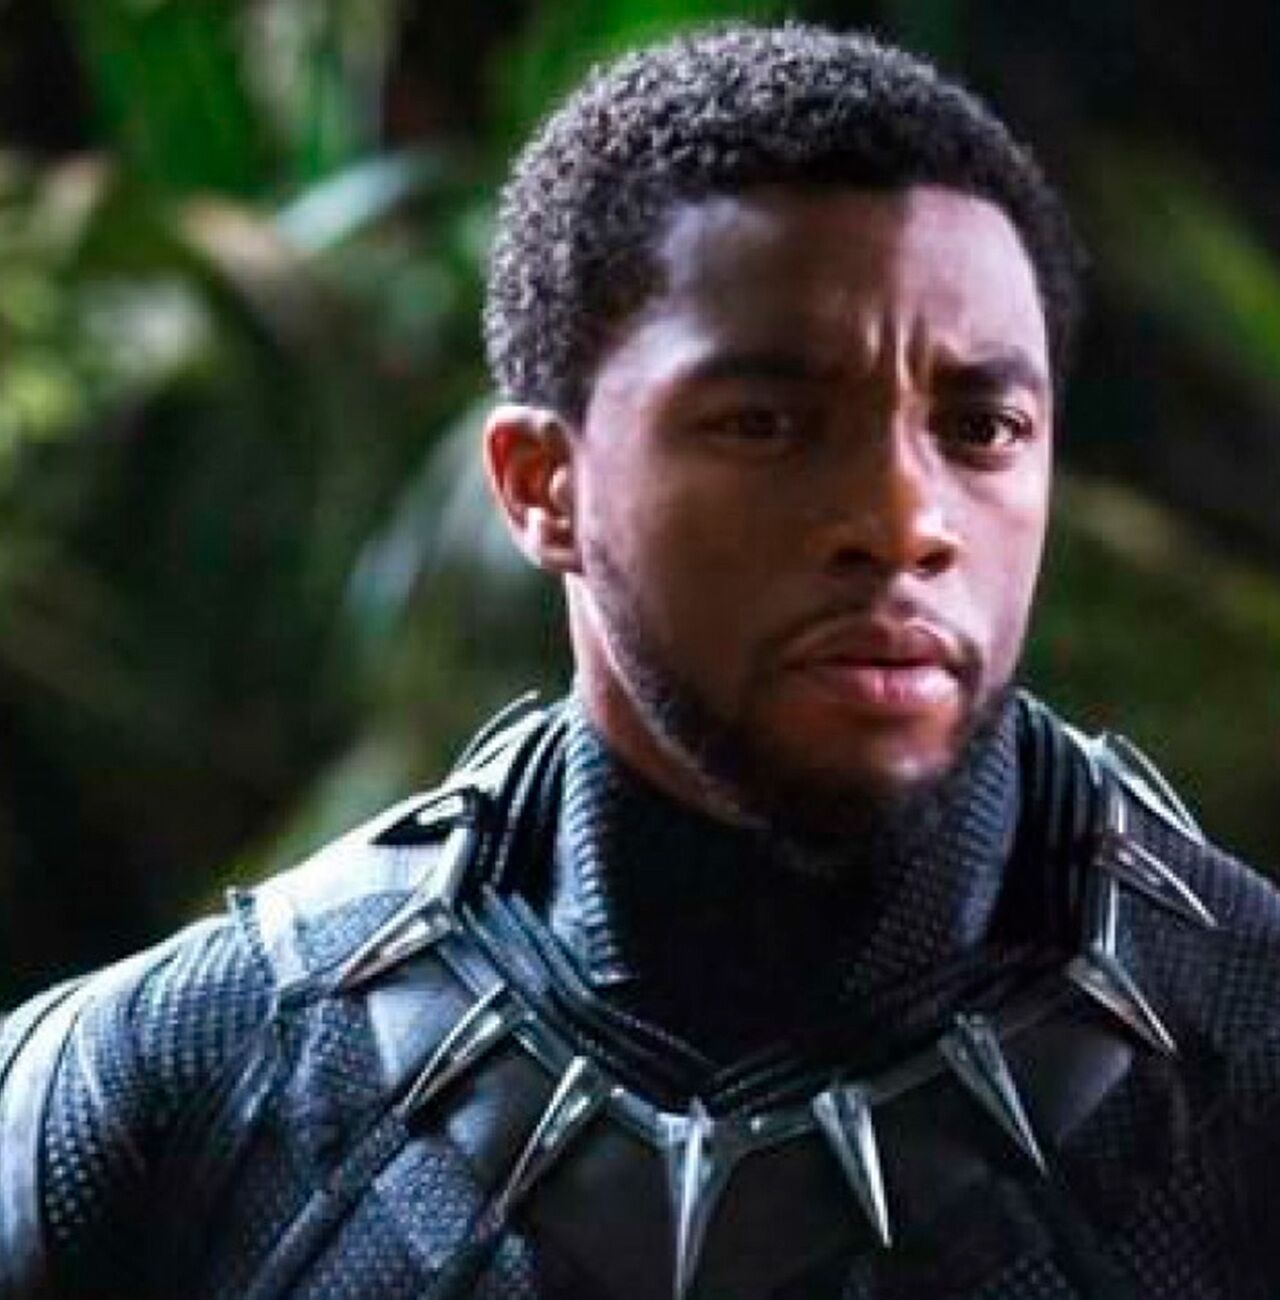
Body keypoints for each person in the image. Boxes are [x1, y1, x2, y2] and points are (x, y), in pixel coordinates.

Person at [3, 21, 1279, 1300]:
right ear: (539, 484)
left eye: (982, 426)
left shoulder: (1246, 1048)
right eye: (767, 422)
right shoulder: (169, 1088)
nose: (903, 520)